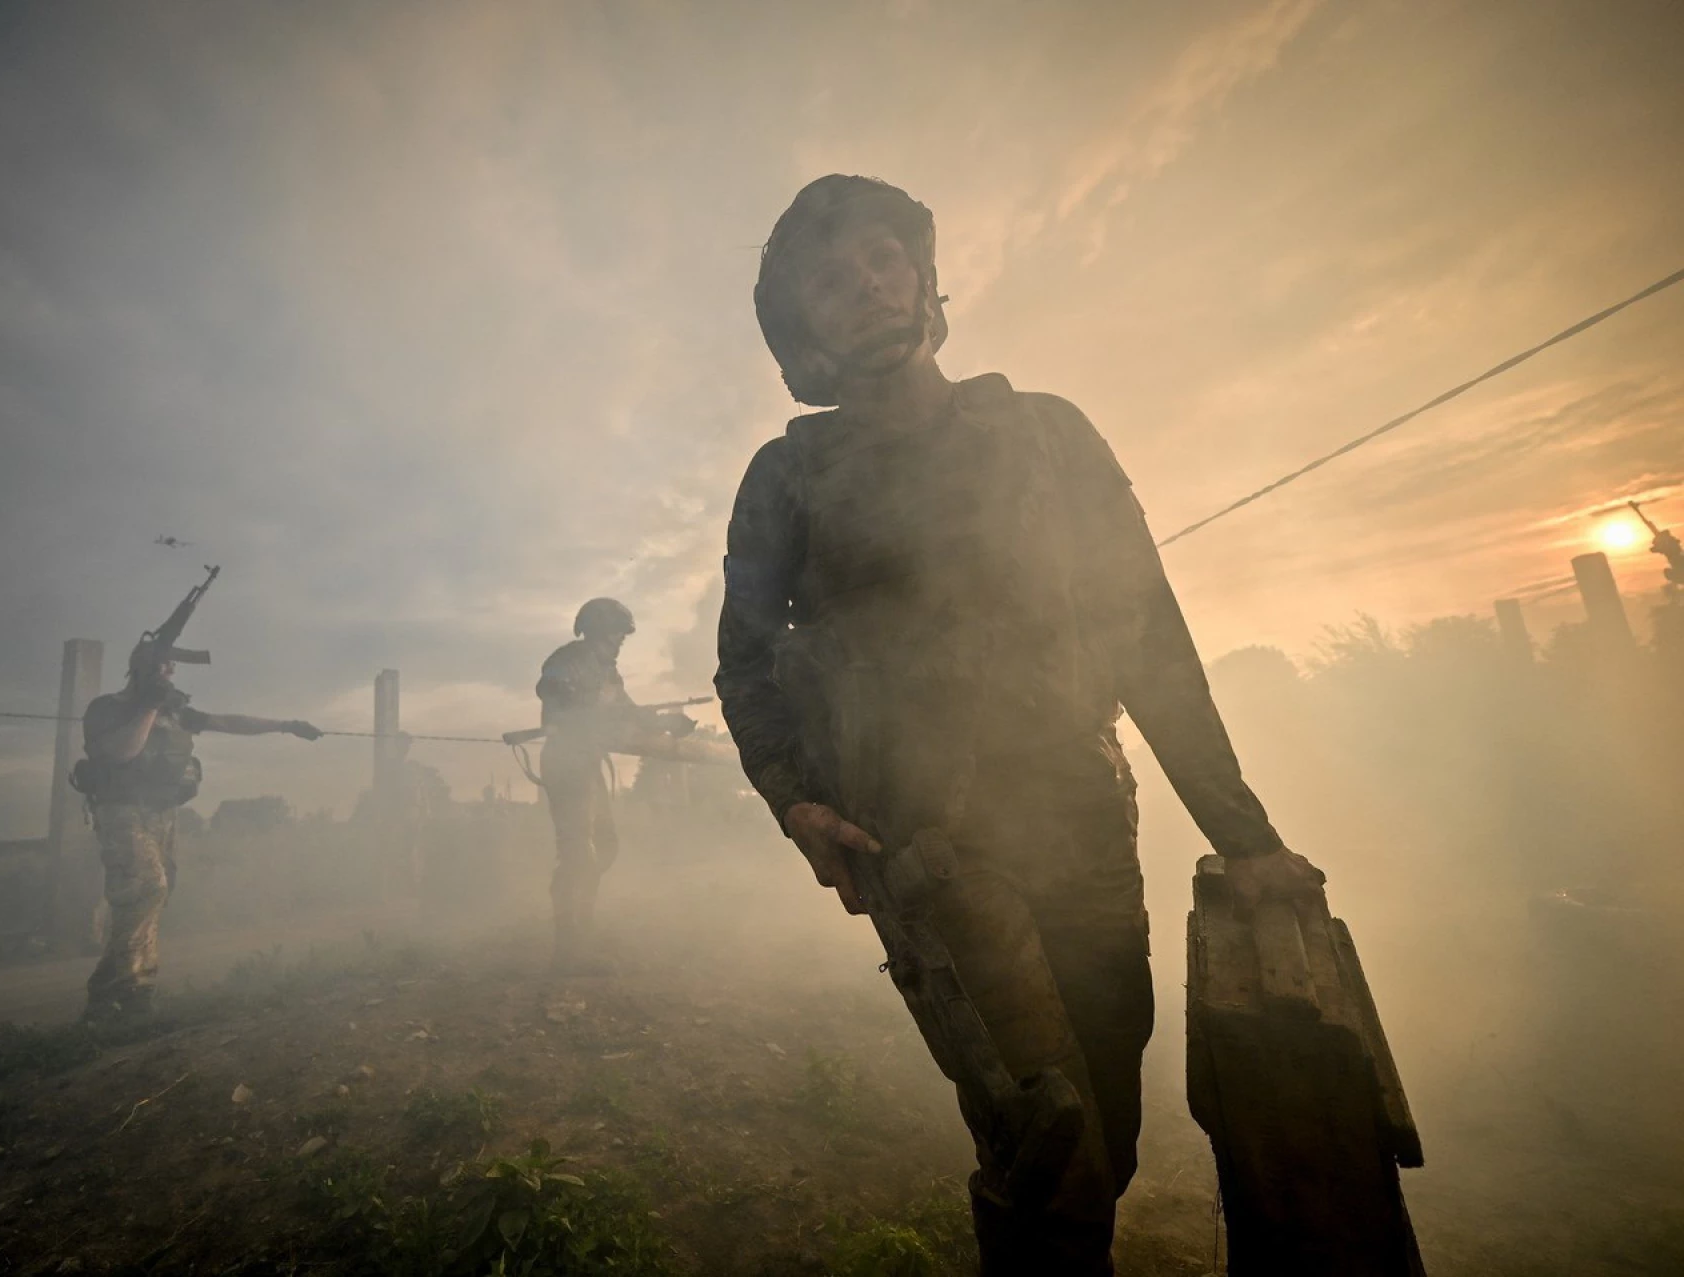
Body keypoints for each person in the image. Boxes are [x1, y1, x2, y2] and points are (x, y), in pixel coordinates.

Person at [714, 175, 1326, 1273]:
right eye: (829, 277)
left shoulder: (1049, 435)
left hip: (1086, 822)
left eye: (881, 258)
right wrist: (796, 796)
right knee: (1050, 1148)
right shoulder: (788, 476)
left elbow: (1151, 636)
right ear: (800, 324)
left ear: (922, 279)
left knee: (1111, 1127)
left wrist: (1247, 834)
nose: (863, 283)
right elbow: (744, 660)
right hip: (930, 852)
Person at [76, 640, 321, 1020]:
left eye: (172, 667)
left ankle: (137, 991)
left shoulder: (176, 713)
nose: (171, 673)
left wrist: (286, 726)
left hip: (162, 813)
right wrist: (150, 706)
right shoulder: (109, 709)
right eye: (163, 667)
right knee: (146, 887)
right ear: (142, 669)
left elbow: (227, 722)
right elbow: (122, 751)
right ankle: (110, 993)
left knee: (157, 893)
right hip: (121, 811)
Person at [535, 597, 669, 973]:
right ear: (596, 631)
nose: (621, 642)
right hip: (566, 763)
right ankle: (568, 947)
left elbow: (627, 712)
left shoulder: (610, 674)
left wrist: (661, 723)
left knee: (605, 844)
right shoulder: (567, 660)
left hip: (588, 764)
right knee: (577, 853)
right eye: (616, 635)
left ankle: (583, 930)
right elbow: (550, 689)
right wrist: (588, 711)